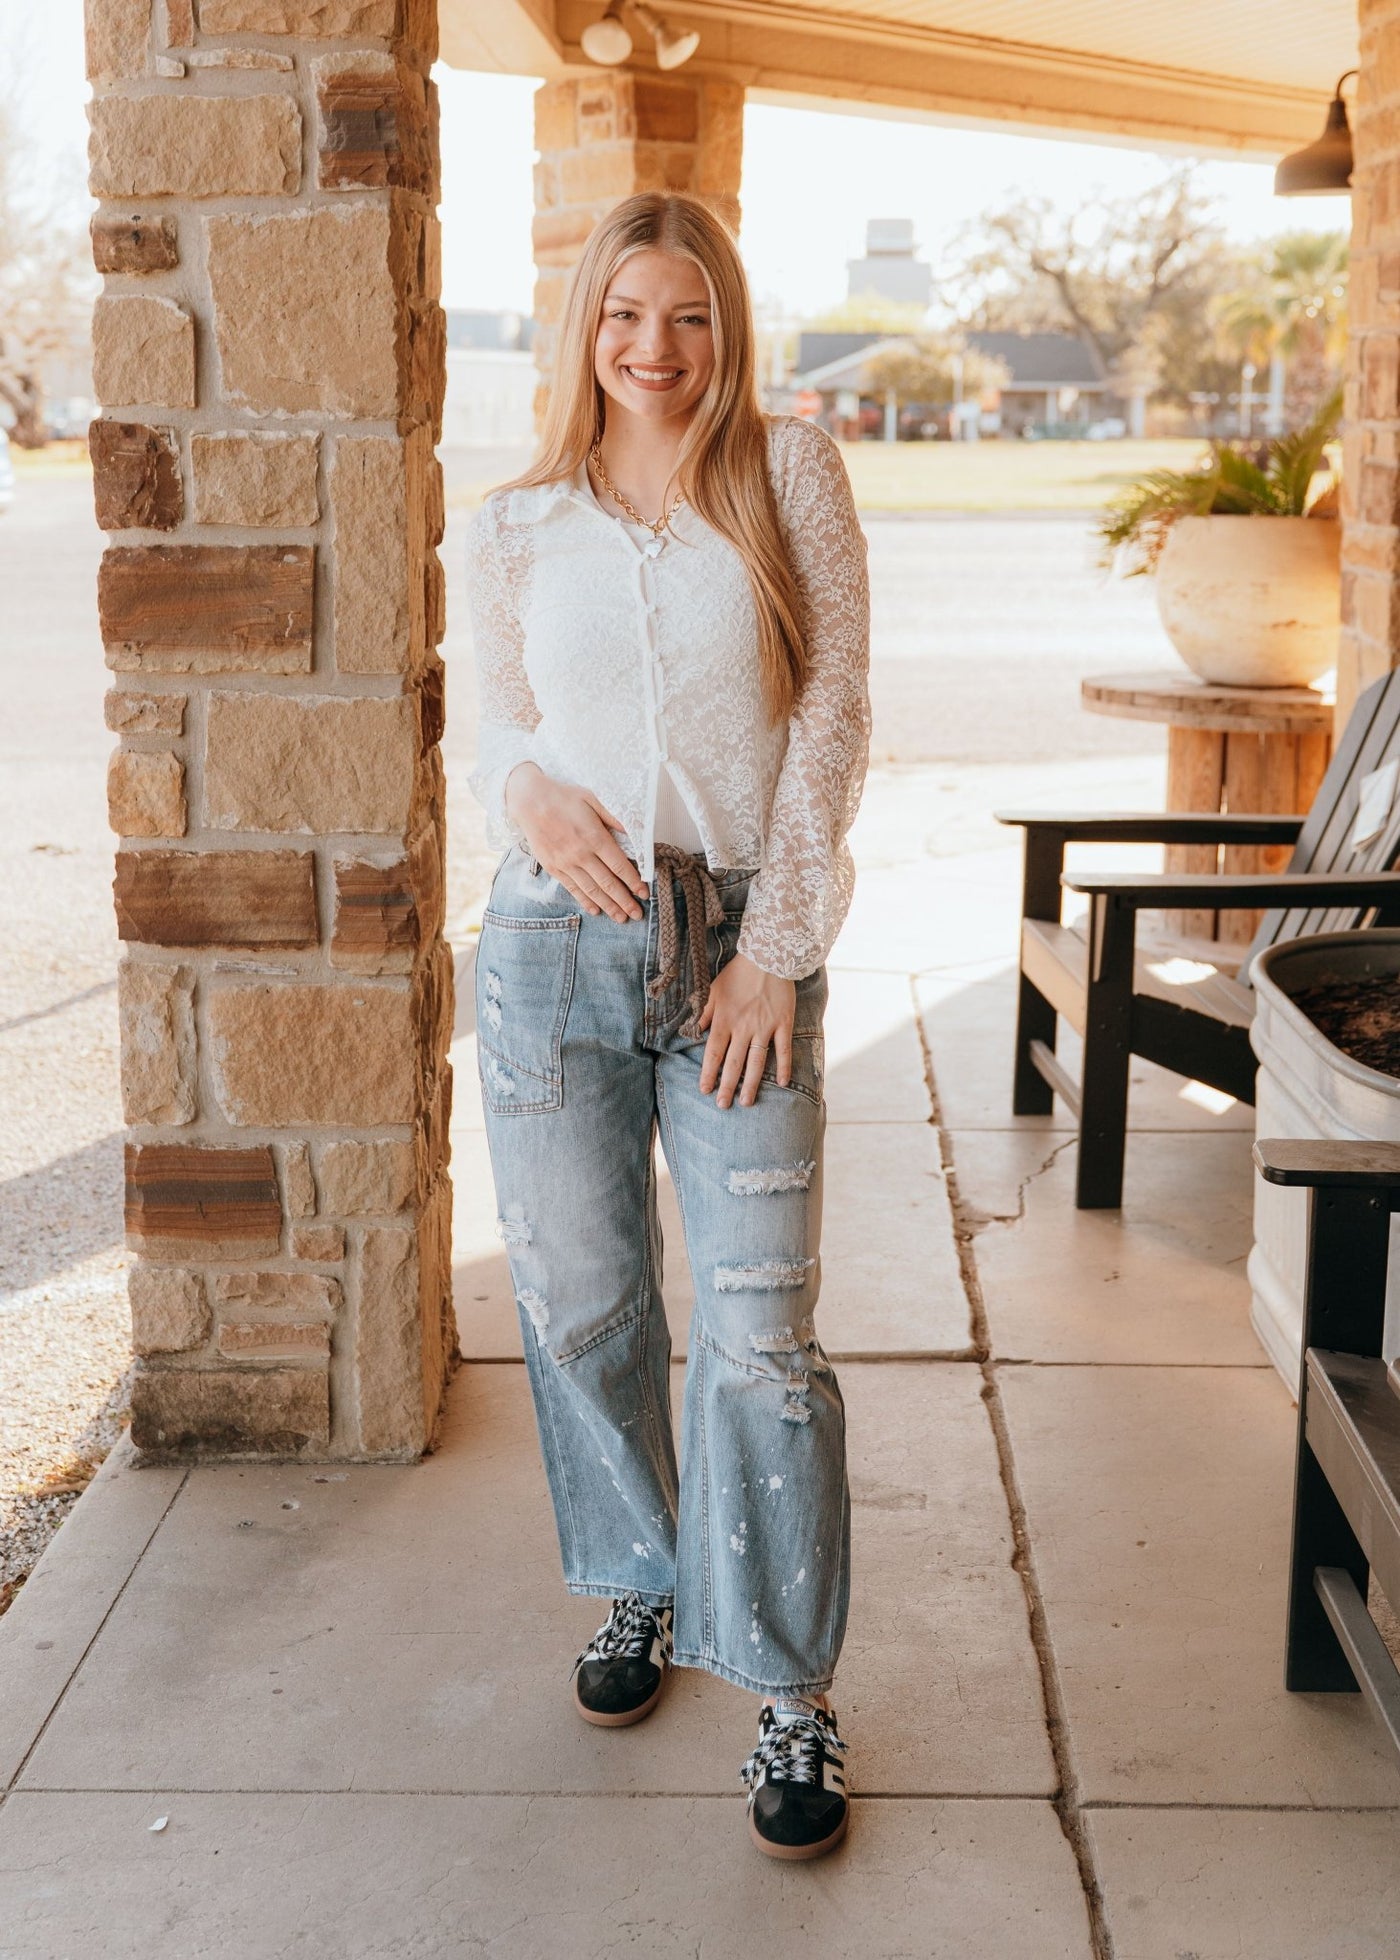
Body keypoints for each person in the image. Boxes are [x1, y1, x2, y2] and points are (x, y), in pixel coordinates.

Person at [464, 189, 871, 1861]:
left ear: (728, 327)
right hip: (550, 954)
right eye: (628, 313)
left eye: (690, 314)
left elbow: (834, 707)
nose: (658, 346)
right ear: (587, 328)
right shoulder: (511, 522)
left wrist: (776, 950)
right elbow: (491, 722)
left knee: (762, 1331)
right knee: (585, 1307)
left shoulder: (789, 476)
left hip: (738, 954)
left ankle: (788, 1686)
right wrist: (528, 794)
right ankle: (640, 1577)